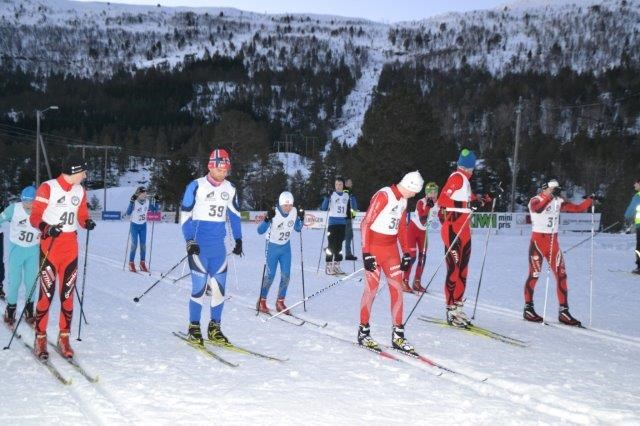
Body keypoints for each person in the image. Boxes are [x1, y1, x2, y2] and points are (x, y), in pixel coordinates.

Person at [29, 155, 96, 359]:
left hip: (70, 248)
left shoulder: (80, 191)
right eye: (83, 172)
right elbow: (35, 216)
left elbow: (82, 214)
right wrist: (47, 228)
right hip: (50, 247)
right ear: (74, 172)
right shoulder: (48, 187)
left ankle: (63, 336)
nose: (85, 175)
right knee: (46, 295)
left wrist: (87, 222)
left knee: (67, 296)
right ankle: (40, 337)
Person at [180, 148, 243, 346]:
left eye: (226, 170)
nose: (223, 173)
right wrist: (189, 240)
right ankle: (194, 327)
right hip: (199, 247)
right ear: (211, 166)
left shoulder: (230, 189)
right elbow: (185, 216)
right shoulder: (196, 186)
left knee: (219, 290)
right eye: (220, 170)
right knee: (199, 289)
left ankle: (215, 328)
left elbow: (234, 216)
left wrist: (239, 239)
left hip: (218, 249)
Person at [358, 171, 423, 354]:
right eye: (414, 192)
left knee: (397, 290)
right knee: (371, 290)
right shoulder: (384, 195)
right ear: (410, 186)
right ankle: (363, 331)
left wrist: (407, 252)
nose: (414, 195)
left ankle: (398, 336)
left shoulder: (403, 200)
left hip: (391, 250)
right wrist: (366, 253)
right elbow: (365, 223)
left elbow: (402, 226)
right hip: (374, 248)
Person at [522, 179, 593, 326]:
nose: (555, 191)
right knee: (534, 275)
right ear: (545, 189)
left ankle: (564, 311)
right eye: (552, 189)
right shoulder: (535, 200)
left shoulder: (558, 201)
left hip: (553, 244)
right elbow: (538, 209)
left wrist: (591, 200)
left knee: (561, 275)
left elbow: (577, 208)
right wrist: (550, 197)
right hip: (537, 243)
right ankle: (528, 308)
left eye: (556, 189)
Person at [437, 149, 490, 327]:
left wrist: (489, 196)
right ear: (468, 167)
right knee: (453, 270)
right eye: (472, 168)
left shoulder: (465, 182)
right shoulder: (457, 177)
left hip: (464, 230)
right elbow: (442, 200)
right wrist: (468, 204)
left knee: (463, 271)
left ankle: (458, 307)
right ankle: (450, 309)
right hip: (453, 229)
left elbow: (475, 202)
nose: (472, 171)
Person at [256, 191, 304, 314]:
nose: (288, 208)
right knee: (270, 276)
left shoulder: (293, 211)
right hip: (272, 246)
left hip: (285, 248)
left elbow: (298, 228)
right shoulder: (274, 212)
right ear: (280, 204)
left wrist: (301, 218)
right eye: (285, 206)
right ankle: (262, 301)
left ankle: (280, 302)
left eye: (290, 205)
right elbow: (260, 231)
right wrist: (267, 219)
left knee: (286, 275)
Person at [0, 186, 41, 327]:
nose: (27, 204)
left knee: (31, 282)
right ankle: (10, 309)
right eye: (25, 201)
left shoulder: (40, 210)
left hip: (33, 251)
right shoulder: (14, 209)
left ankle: (29, 309)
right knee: (15, 281)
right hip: (16, 250)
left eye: (30, 201)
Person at [403, 182, 439, 293]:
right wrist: (428, 206)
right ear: (426, 193)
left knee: (423, 257)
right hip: (412, 231)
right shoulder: (421, 202)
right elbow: (423, 219)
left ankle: (417, 282)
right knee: (411, 256)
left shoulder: (438, 203)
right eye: (430, 192)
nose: (433, 195)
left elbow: (444, 217)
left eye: (435, 192)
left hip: (423, 233)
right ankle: (404, 281)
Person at [125, 186, 159, 272]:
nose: (145, 194)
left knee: (143, 245)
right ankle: (131, 263)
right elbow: (128, 212)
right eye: (143, 193)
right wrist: (131, 202)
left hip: (143, 226)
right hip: (134, 226)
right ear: (138, 194)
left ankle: (142, 263)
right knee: (134, 244)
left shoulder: (147, 202)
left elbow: (155, 210)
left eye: (145, 193)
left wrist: (157, 201)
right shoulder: (135, 202)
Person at [321, 177, 350, 275]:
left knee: (339, 246)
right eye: (336, 184)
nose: (338, 186)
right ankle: (329, 266)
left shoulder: (346, 195)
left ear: (343, 185)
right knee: (331, 246)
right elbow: (324, 208)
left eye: (340, 184)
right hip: (333, 223)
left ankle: (337, 266)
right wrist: (326, 197)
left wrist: (353, 197)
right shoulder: (332, 195)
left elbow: (353, 208)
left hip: (342, 224)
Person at [624, 178, 640, 274]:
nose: (634, 185)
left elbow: (630, 211)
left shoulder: (637, 196)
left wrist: (626, 216)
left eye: (636, 183)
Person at [343, 178, 359, 261]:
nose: (351, 183)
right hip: (346, 217)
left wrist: (353, 214)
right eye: (350, 182)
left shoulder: (349, 192)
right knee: (348, 236)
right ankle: (348, 254)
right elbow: (349, 205)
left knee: (347, 236)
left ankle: (330, 248)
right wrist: (352, 215)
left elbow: (354, 206)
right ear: (346, 183)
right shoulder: (346, 192)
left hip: (348, 217)